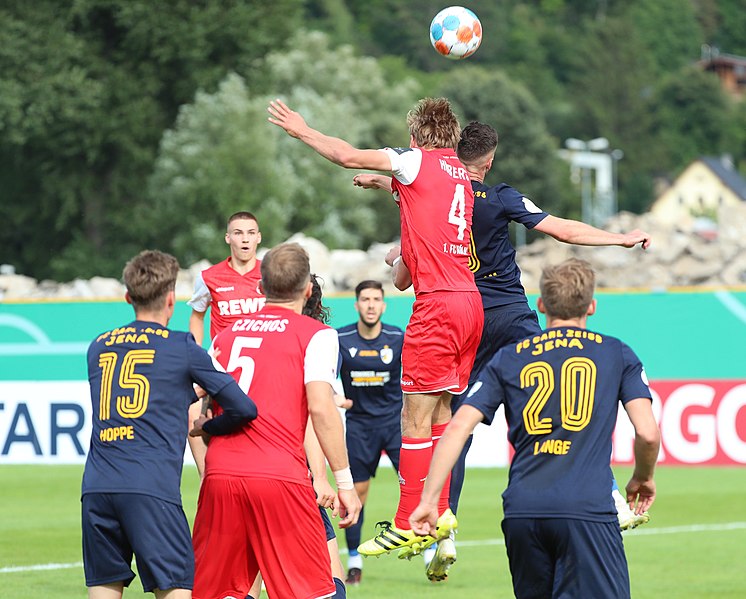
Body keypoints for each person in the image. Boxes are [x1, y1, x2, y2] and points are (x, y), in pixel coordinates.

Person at [368, 120, 653, 580]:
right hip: (511, 313)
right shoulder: (500, 196)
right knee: (561, 396)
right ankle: (612, 498)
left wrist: (386, 184)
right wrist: (617, 237)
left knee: (453, 427)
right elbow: (562, 229)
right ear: (490, 159)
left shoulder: (437, 194)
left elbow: (409, 232)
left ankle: (442, 528)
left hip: (465, 319)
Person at [268, 97, 483, 558]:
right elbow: (422, 221)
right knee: (442, 411)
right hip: (470, 303)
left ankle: (408, 520)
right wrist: (390, 186)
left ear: (414, 136)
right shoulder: (461, 175)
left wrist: (303, 131)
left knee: (413, 416)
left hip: (438, 306)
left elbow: (346, 154)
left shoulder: (411, 160)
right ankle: (441, 509)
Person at [410, 258, 661, 599]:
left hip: (523, 511)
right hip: (587, 509)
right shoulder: (616, 353)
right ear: (592, 306)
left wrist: (430, 501)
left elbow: (456, 429)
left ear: (541, 304)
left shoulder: (510, 357)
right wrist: (643, 477)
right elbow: (647, 432)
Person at [81, 250, 257, 599]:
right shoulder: (181, 346)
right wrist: (209, 427)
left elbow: (142, 400)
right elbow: (244, 407)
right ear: (172, 300)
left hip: (97, 487)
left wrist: (184, 395)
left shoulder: (98, 346)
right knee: (177, 588)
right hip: (150, 488)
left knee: (103, 590)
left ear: (128, 297)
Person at [191, 243, 362, 599]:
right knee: (316, 590)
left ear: (260, 287)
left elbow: (197, 404)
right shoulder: (317, 334)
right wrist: (343, 481)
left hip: (222, 476)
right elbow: (320, 407)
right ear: (308, 289)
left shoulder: (225, 335)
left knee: (222, 592)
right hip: (278, 477)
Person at [335, 280, 404, 585]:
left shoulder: (396, 338)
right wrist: (336, 398)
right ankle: (354, 561)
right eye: (365, 299)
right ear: (357, 304)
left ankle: (431, 553)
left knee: (416, 487)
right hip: (360, 427)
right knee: (357, 493)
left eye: (376, 299)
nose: (371, 305)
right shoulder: (341, 338)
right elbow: (325, 376)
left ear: (384, 305)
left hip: (395, 423)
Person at [186, 211, 265, 475]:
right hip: (222, 368)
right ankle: (205, 477)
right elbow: (197, 316)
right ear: (228, 237)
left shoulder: (270, 274)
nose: (245, 239)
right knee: (192, 411)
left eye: (250, 233)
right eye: (239, 233)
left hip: (264, 367)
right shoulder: (209, 277)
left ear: (259, 238)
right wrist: (198, 355)